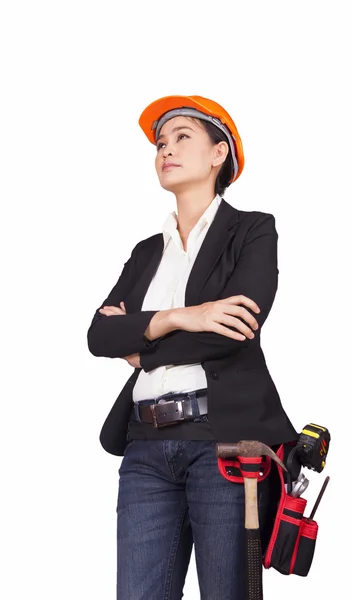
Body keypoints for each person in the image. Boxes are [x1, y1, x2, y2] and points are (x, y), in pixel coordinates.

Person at [87, 95, 298, 600]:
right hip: (144, 448)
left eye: (182, 137)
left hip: (224, 447)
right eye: (161, 142)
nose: (166, 149)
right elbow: (99, 336)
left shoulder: (252, 231)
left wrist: (143, 340)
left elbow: (233, 330)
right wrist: (184, 316)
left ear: (218, 153)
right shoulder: (146, 252)